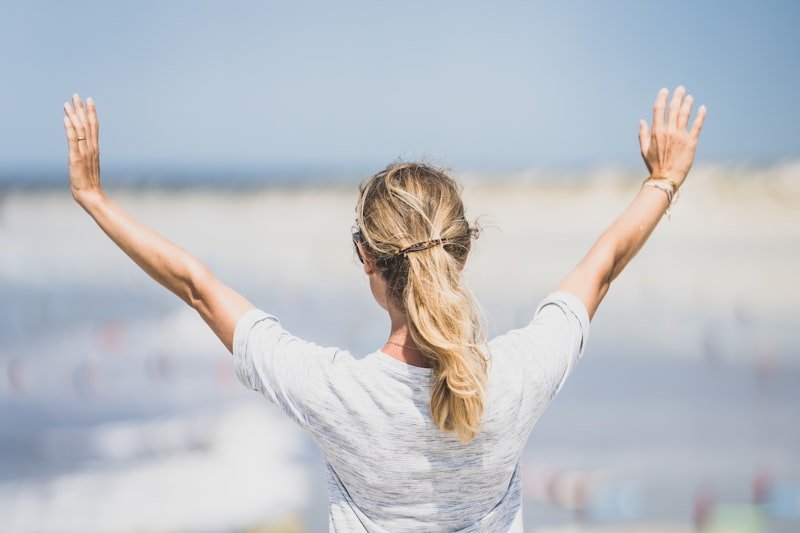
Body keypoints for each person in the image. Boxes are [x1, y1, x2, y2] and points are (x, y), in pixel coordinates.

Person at [63, 87, 706, 531]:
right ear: (463, 250)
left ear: (366, 259)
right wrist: (664, 179)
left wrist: (95, 198)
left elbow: (197, 287)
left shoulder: (337, 393)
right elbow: (603, 266)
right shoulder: (513, 379)